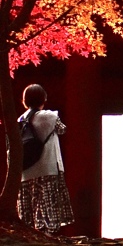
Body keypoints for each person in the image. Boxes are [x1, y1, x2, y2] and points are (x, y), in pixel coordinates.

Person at [17, 84, 74, 234]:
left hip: (27, 169)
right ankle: (48, 233)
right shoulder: (49, 116)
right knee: (48, 202)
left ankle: (31, 232)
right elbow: (62, 129)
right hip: (47, 166)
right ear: (43, 99)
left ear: (24, 100)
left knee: (31, 203)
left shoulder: (20, 120)